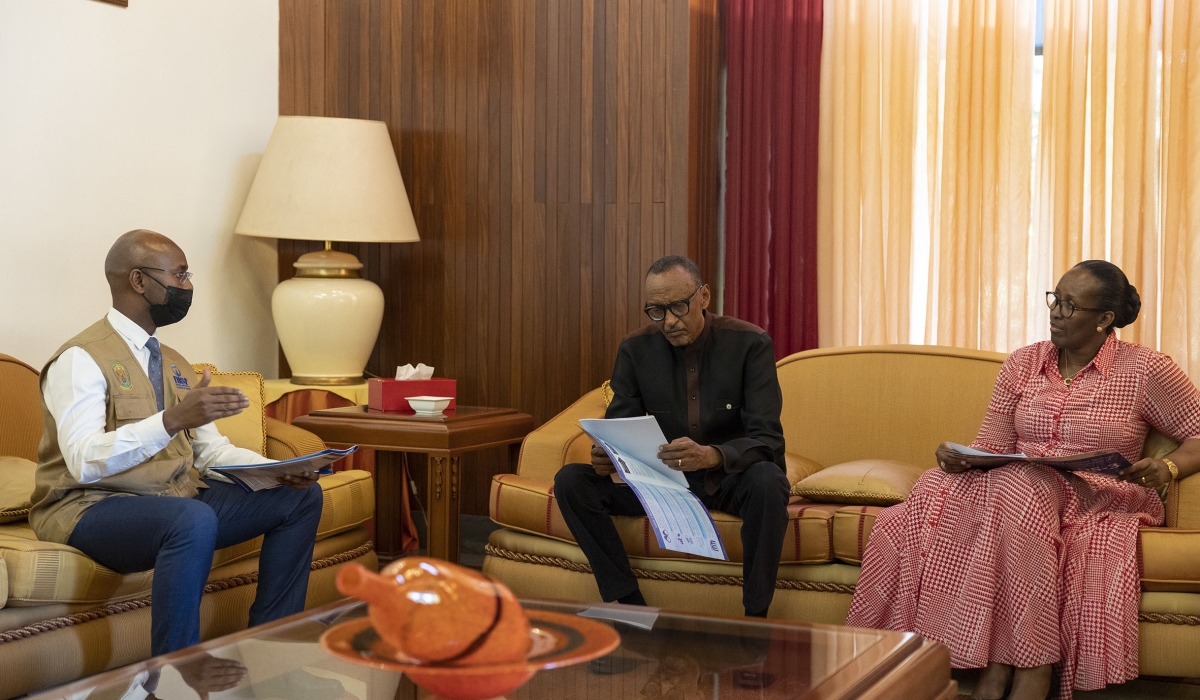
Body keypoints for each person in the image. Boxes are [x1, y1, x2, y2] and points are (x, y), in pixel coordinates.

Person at [846, 260, 1200, 700]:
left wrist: (1168, 468)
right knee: (929, 491)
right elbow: (992, 445)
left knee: (1021, 487)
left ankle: (1033, 666)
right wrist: (960, 458)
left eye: (1070, 306)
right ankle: (931, 661)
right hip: (1022, 486)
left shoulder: (1146, 369)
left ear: (1105, 319)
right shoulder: (1023, 363)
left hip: (1101, 492)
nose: (1056, 313)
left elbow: (1197, 432)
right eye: (1055, 300)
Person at [29, 229, 324, 656]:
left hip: (169, 497)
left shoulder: (175, 363)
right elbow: (83, 461)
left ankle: (273, 648)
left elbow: (210, 452)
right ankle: (176, 669)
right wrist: (170, 421)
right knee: (191, 518)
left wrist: (277, 471)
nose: (188, 286)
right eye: (180, 275)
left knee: (299, 497)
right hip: (88, 508)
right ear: (138, 280)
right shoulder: (81, 359)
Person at [553, 255, 791, 618]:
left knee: (768, 481)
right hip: (661, 484)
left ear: (704, 296)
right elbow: (620, 428)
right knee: (572, 481)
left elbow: (768, 440)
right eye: (657, 311)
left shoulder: (750, 344)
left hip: (726, 480)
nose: (669, 321)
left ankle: (755, 618)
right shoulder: (635, 349)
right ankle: (630, 606)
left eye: (679, 306)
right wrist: (608, 456)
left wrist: (712, 455)